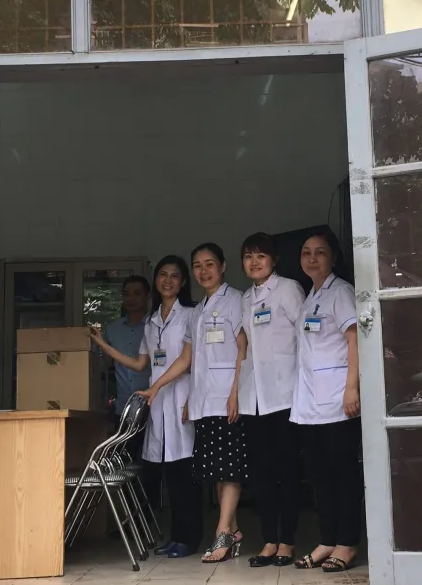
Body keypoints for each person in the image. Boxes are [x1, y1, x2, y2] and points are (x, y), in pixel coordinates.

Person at [138, 243, 248, 563]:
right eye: (198, 265)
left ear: (223, 266)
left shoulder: (235, 300)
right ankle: (232, 530)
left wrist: (236, 392)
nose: (204, 270)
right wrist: (157, 387)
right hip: (204, 401)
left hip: (226, 399)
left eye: (209, 264)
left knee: (227, 470)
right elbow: (187, 358)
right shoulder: (198, 311)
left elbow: (243, 348)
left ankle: (222, 532)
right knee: (216, 471)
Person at [91, 256, 203, 558]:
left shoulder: (191, 315)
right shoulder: (152, 322)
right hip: (159, 403)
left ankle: (190, 538)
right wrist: (103, 345)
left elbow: (189, 360)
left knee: (185, 473)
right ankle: (176, 536)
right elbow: (141, 363)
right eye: (163, 275)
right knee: (168, 472)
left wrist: (172, 392)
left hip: (181, 398)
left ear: (183, 282)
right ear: (156, 280)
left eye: (175, 276)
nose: (168, 280)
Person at [291, 226, 363, 573]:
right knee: (320, 477)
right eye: (306, 253)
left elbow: (355, 339)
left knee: (343, 475)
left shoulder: (341, 292)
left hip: (337, 400)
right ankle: (327, 540)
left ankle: (347, 543)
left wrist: (352, 388)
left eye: (320, 252)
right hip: (311, 404)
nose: (312, 258)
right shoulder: (312, 296)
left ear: (333, 257)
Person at [235, 232, 306, 568]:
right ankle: (268, 540)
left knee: (287, 471)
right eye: (248, 256)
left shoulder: (288, 289)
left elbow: (305, 337)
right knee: (261, 474)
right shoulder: (246, 298)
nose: (254, 262)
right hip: (255, 398)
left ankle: (287, 541)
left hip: (285, 395)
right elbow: (246, 347)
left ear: (274, 259)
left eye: (261, 256)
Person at [101, 275, 158, 507]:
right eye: (127, 294)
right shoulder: (112, 330)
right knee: (125, 461)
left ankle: (150, 512)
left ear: (147, 296)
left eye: (137, 293)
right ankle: (130, 512)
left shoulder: (156, 325)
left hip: (154, 404)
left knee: (152, 462)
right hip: (124, 406)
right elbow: (104, 366)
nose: (131, 298)